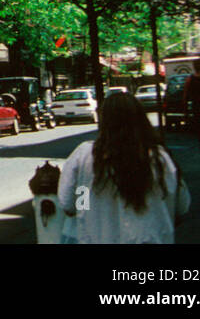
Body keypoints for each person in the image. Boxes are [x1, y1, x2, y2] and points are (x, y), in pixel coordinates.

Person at [57, 92, 190, 244]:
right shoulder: (160, 158)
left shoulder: (84, 156)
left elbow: (69, 203)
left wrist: (87, 205)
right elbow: (181, 206)